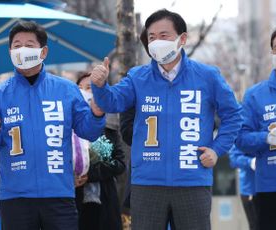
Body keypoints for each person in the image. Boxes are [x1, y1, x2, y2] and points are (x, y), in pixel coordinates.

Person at [90, 9, 242, 230]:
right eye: (152, 37)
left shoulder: (207, 76)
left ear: (182, 38)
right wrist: (100, 85)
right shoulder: (137, 77)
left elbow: (234, 115)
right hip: (147, 183)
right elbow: (111, 102)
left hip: (192, 181)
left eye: (164, 36)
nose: (157, 42)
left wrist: (216, 149)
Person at [0, 21, 105, 230]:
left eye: (29, 45)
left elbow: (89, 131)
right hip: (15, 198)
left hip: (59, 195)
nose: (22, 50)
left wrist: (97, 112)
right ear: (10, 51)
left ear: (43, 51)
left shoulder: (66, 89)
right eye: (17, 45)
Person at [236, 25, 276, 230]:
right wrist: (264, 138)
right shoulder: (255, 95)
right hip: (271, 190)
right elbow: (240, 140)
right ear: (272, 53)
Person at [74, 73, 126, 230]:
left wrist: (89, 174)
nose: (84, 92)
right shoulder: (69, 129)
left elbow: (120, 164)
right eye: (79, 89)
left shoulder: (109, 128)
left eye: (89, 88)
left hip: (105, 202)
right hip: (74, 202)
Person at [229, 146, 258, 230]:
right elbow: (234, 159)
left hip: (274, 187)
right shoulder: (241, 133)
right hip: (251, 189)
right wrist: (251, 162)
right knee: (256, 225)